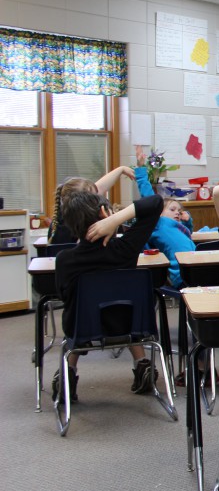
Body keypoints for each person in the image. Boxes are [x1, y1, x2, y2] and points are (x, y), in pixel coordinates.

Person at [53, 190, 165, 402]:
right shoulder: (125, 248)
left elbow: (64, 297)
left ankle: (69, 371)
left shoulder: (64, 260)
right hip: (128, 326)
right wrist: (115, 220)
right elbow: (156, 203)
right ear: (106, 214)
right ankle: (141, 364)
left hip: (82, 330)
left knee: (75, 314)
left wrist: (109, 219)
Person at [134, 150, 194, 288]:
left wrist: (187, 221)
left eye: (179, 211)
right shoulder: (159, 223)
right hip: (181, 275)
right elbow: (149, 197)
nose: (177, 213)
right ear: (158, 213)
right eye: (172, 210)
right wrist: (141, 171)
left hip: (194, 269)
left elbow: (188, 234)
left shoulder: (177, 227)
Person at [48, 166, 137, 244]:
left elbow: (99, 187)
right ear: (78, 202)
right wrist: (115, 219)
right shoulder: (79, 226)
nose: (97, 201)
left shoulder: (64, 217)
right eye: (93, 197)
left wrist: (121, 169)